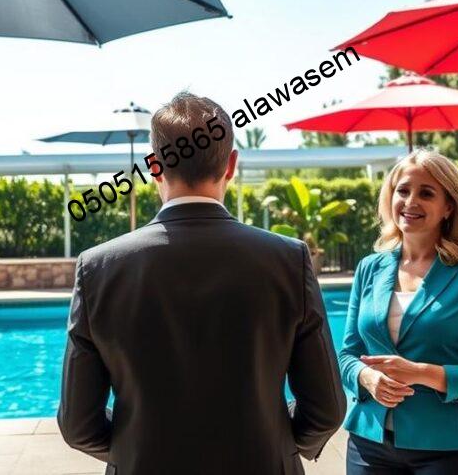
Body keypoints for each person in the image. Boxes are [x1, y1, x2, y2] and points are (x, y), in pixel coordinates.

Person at [57, 92, 345, 475]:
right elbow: (326, 409)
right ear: (232, 165)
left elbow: (78, 425)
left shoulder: (98, 268)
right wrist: (275, 440)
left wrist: (136, 448)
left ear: (155, 167)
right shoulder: (287, 260)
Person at [338, 148, 458, 475]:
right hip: (369, 443)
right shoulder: (368, 268)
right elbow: (347, 354)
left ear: (448, 207)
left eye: (426, 193)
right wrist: (367, 377)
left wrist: (420, 372)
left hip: (452, 448)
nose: (411, 201)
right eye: (403, 190)